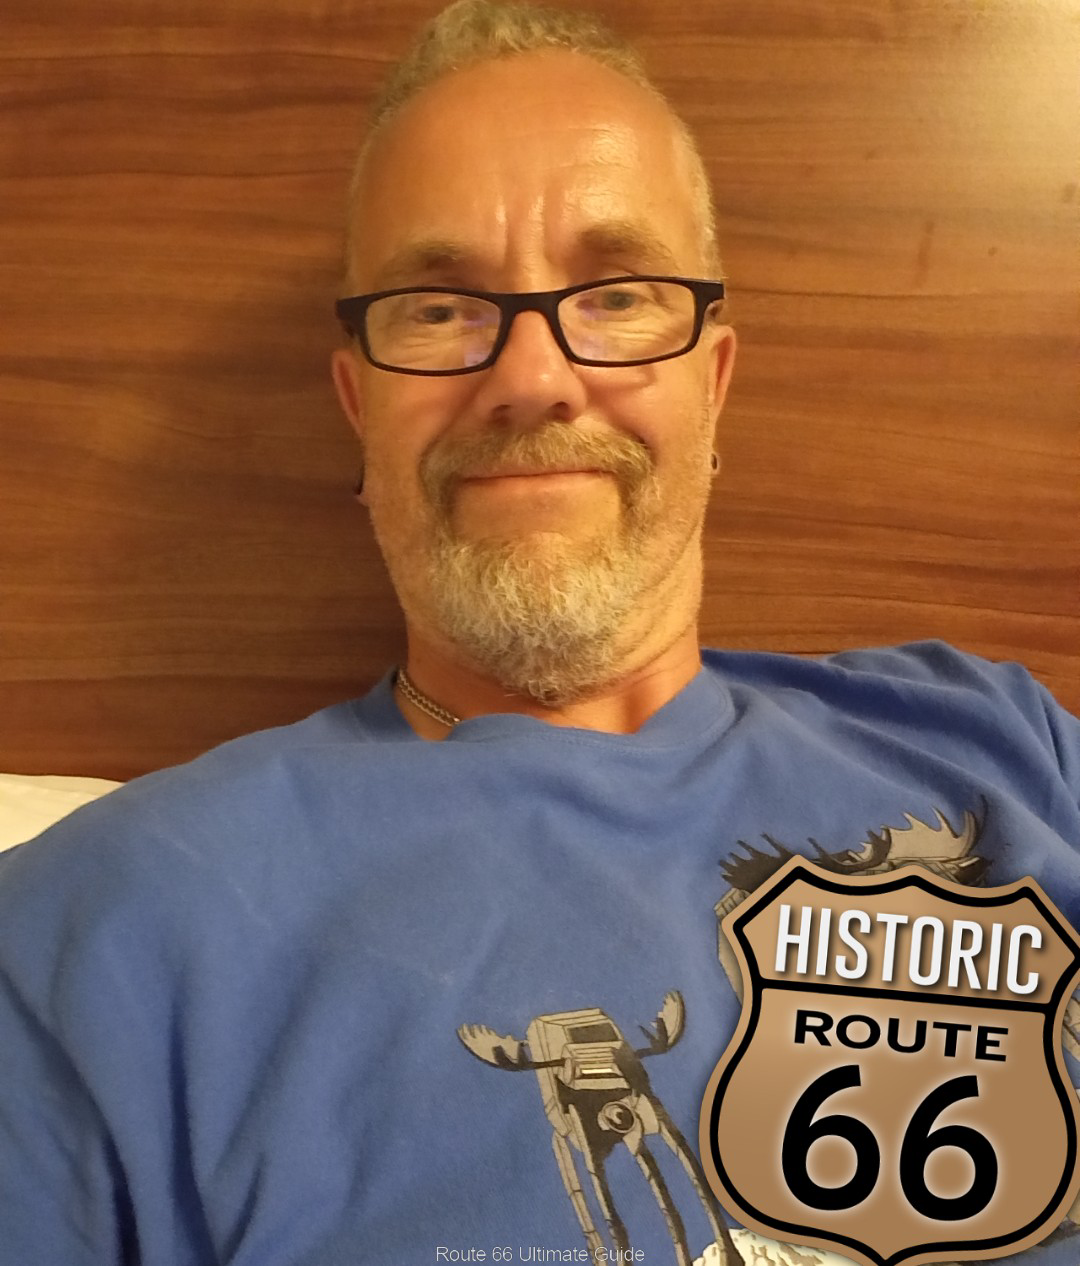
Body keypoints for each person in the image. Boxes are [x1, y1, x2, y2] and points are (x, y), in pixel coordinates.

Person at [1, 3, 1078, 1264]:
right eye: (438, 307)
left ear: (714, 382)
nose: (531, 378)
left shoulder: (1002, 745)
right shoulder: (95, 931)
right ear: (359, 407)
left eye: (617, 294)